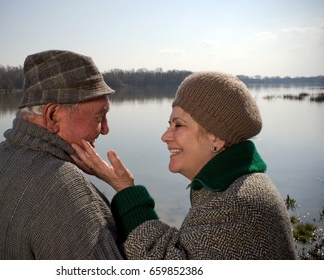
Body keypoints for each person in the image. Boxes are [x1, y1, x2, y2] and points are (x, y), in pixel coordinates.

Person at [72, 71, 297, 259]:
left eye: (178, 125)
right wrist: (124, 186)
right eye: (169, 124)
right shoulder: (230, 186)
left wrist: (127, 193)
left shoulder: (239, 202)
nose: (165, 136)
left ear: (216, 139)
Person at [0, 50, 123, 259]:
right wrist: (127, 193)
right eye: (100, 116)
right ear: (53, 116)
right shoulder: (63, 185)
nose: (105, 129)